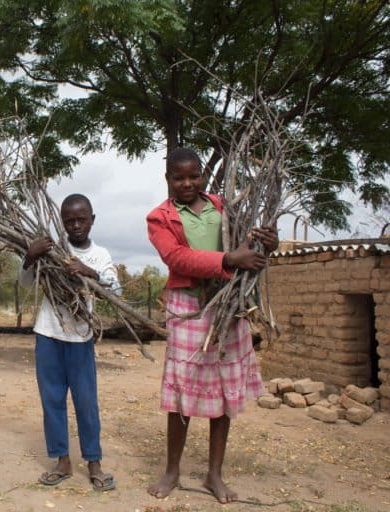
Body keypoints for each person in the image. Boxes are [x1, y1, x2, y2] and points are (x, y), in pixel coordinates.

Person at [145, 148, 278, 504]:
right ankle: (172, 470)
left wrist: (268, 244)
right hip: (187, 306)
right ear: (168, 179)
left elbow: (252, 245)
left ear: (203, 175)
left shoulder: (226, 206)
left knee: (224, 391)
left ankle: (213, 474)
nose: (187, 183)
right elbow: (176, 257)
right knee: (181, 393)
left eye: (194, 176)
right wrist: (228, 258)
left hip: (229, 306)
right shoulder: (160, 217)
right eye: (178, 178)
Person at [20, 193, 120, 492]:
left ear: (92, 219)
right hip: (49, 335)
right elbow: (25, 283)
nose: (76, 225)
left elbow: (115, 290)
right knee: (52, 401)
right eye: (69, 221)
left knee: (86, 403)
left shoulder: (100, 255)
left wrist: (89, 273)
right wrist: (30, 255)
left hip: (81, 338)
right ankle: (62, 461)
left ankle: (94, 463)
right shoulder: (53, 249)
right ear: (62, 222)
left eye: (82, 219)